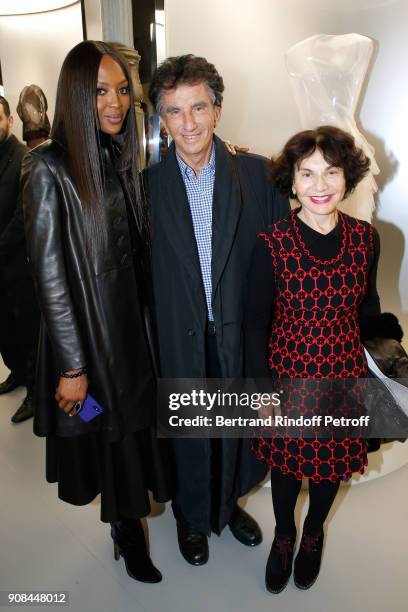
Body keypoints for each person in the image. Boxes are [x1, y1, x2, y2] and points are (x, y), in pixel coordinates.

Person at [21, 41, 170, 583]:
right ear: (76, 94)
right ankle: (126, 533)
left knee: (132, 431)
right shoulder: (48, 169)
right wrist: (71, 369)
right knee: (103, 432)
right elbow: (50, 278)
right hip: (86, 343)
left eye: (122, 90)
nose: (115, 102)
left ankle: (129, 522)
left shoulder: (117, 156)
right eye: (101, 91)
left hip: (131, 332)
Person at [144, 54, 290, 566]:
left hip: (240, 334)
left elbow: (283, 269)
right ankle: (191, 518)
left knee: (236, 429)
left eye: (198, 107)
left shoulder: (259, 176)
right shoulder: (146, 189)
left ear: (217, 110)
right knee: (189, 431)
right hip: (178, 335)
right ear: (162, 120)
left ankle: (226, 509)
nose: (188, 123)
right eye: (175, 111)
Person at [244, 126, 380, 592]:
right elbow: (253, 323)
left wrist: (386, 370)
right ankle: (285, 535)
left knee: (331, 465)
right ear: (293, 181)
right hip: (289, 373)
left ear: (347, 178)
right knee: (286, 467)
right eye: (308, 173)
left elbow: (370, 310)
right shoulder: (272, 242)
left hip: (344, 372)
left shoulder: (365, 239)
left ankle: (314, 534)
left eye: (331, 172)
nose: (320, 185)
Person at [0, 95, 40, 423]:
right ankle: (17, 373)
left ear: (9, 121)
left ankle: (37, 396)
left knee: (27, 331)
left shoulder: (23, 157)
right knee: (4, 330)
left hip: (18, 265)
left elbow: (23, 215)